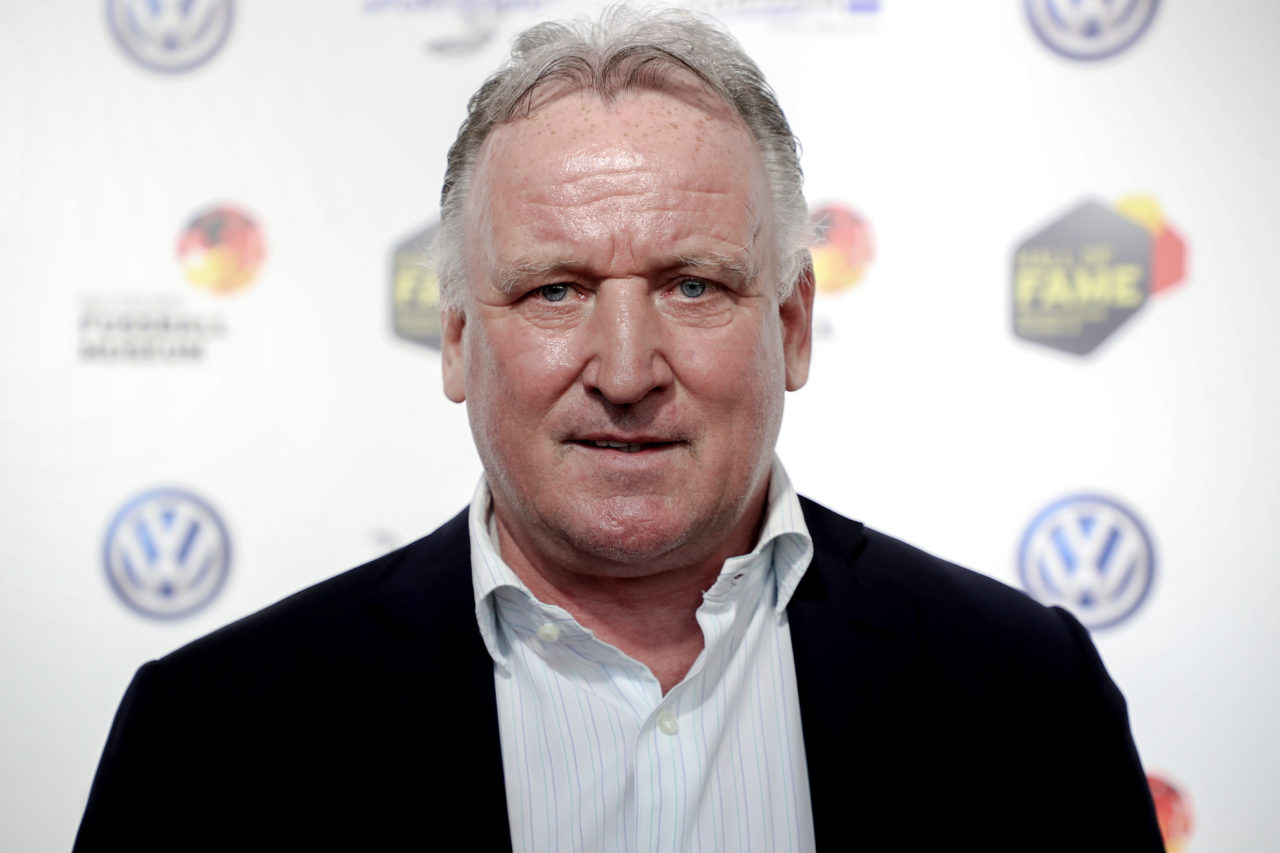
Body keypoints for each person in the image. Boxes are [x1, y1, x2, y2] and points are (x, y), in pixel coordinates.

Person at [75, 7, 1164, 852]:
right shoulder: (212, 738)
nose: (628, 371)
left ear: (790, 327)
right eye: (554, 291)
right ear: (455, 339)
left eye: (692, 286)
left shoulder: (1025, 698)